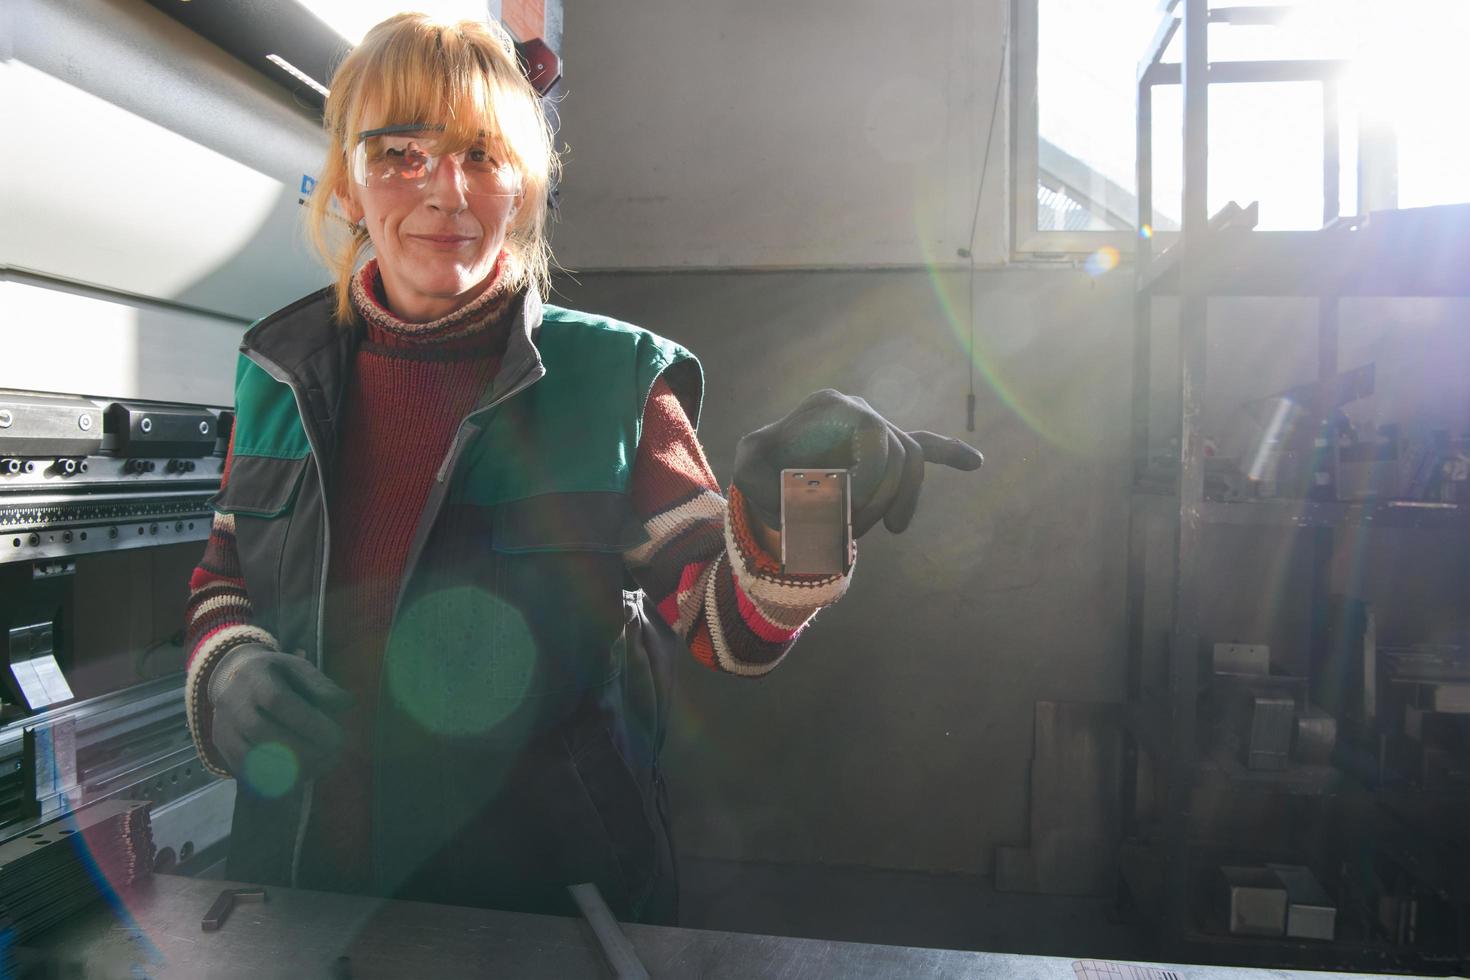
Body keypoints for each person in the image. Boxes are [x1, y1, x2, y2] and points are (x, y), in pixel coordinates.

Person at [183, 12, 982, 923]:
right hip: (298, 897)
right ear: (348, 185)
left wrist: (803, 508)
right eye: (400, 152)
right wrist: (228, 665)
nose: (446, 191)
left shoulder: (615, 380)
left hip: (540, 919)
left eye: (482, 155)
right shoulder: (275, 371)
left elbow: (724, 626)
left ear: (522, 189)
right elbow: (225, 574)